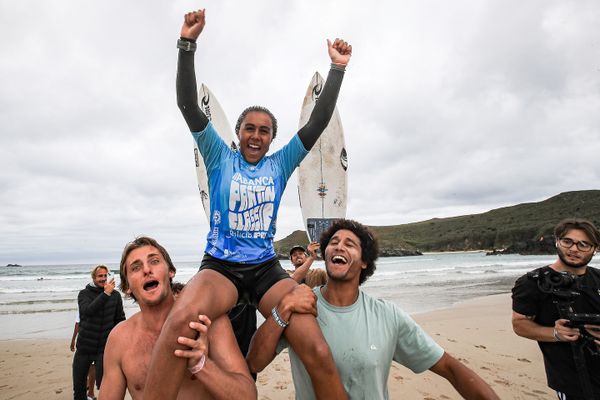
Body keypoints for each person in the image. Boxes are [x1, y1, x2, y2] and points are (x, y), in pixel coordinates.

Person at [142, 8, 352, 400]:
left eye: (265, 131)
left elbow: (317, 123)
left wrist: (336, 69)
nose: (257, 136)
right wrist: (187, 44)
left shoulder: (281, 163)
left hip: (264, 267)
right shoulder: (219, 155)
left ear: (273, 139)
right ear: (237, 134)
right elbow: (188, 103)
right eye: (249, 129)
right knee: (181, 320)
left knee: (314, 342)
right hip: (220, 266)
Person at [246, 219, 500, 400]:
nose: (339, 246)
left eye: (350, 244)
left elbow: (449, 368)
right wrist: (281, 311)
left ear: (365, 261)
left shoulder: (388, 316)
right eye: (333, 242)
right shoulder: (300, 309)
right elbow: (255, 363)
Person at [99, 236, 255, 400]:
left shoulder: (207, 322)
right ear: (126, 286)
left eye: (154, 261)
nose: (146, 270)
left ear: (170, 271)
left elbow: (248, 395)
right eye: (136, 268)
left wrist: (202, 365)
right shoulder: (119, 339)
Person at [512, 219, 600, 400]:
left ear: (595, 248)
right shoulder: (533, 282)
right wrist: (555, 333)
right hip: (571, 380)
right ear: (557, 242)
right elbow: (519, 323)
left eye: (584, 244)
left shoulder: (597, 278)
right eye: (568, 241)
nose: (574, 249)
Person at [73, 265, 125, 400]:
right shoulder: (84, 294)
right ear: (93, 277)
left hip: (104, 349)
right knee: (79, 389)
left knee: (105, 386)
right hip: (84, 347)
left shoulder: (116, 296)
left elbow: (119, 320)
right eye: (99, 276)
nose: (103, 279)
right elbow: (87, 312)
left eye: (105, 276)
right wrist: (105, 294)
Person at [70, 306, 97, 400]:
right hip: (94, 338)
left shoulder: (83, 302)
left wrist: (73, 340)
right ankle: (90, 392)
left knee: (87, 366)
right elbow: (77, 323)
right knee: (92, 365)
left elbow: (77, 324)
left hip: (86, 339)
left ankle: (89, 392)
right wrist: (73, 340)